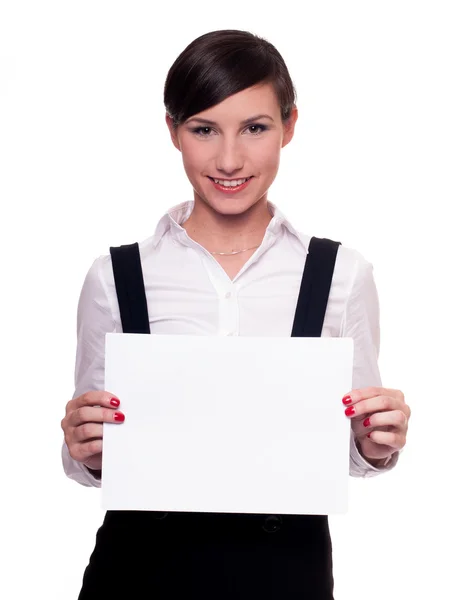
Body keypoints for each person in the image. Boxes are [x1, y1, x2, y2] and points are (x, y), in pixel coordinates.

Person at [61, 29, 411, 599]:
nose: (229, 159)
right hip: (139, 570)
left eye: (255, 127)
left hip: (284, 571)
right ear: (173, 131)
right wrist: (84, 445)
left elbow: (350, 449)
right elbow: (96, 454)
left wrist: (375, 442)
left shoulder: (341, 275)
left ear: (290, 125)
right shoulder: (115, 276)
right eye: (204, 129)